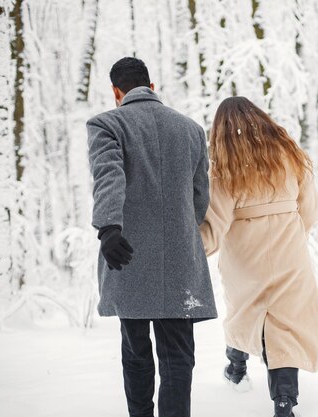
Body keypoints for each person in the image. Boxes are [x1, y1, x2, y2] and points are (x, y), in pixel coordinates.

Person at [86, 57, 217, 417]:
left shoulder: (106, 125)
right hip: (179, 257)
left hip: (126, 254)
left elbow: (108, 176)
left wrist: (109, 227)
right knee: (178, 355)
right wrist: (177, 228)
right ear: (152, 87)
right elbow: (200, 197)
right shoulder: (191, 129)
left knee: (136, 351)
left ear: (116, 91)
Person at [200, 96, 318, 417]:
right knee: (286, 325)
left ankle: (236, 367)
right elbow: (309, 212)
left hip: (245, 258)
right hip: (290, 253)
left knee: (246, 313)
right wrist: (293, 237)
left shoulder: (223, 170)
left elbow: (213, 229)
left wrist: (188, 249)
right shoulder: (291, 157)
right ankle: (284, 403)